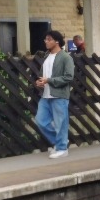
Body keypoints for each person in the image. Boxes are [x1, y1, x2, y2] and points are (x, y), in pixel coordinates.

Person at [34, 30, 75, 159]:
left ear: (56, 41)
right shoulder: (47, 57)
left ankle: (62, 149)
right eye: (45, 39)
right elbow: (44, 76)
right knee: (40, 121)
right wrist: (40, 82)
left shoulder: (65, 57)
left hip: (59, 95)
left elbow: (69, 77)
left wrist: (49, 81)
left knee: (60, 123)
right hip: (45, 95)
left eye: (48, 39)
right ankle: (61, 142)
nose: (46, 41)